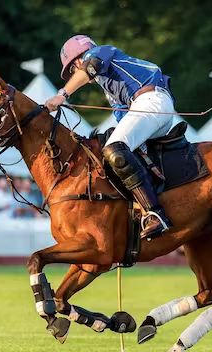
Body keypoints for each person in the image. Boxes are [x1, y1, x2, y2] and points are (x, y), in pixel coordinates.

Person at [45, 35, 175, 240]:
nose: (73, 72)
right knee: (112, 145)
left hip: (152, 101)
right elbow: (123, 117)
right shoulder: (110, 89)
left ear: (79, 58)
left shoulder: (101, 52)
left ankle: (156, 215)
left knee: (114, 146)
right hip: (147, 108)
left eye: (72, 68)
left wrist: (62, 94)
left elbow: (91, 67)